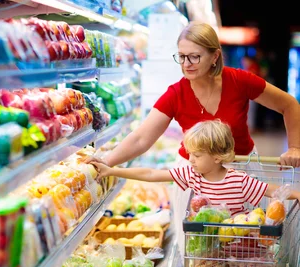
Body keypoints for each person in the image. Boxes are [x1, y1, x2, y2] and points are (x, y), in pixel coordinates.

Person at [85, 21, 300, 253]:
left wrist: (295, 147)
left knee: (244, 244)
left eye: (194, 57)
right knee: (199, 250)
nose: (186, 64)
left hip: (241, 173)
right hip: (196, 176)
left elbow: (289, 105)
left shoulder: (239, 81)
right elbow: (141, 139)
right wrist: (106, 162)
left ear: (215, 56)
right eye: (181, 57)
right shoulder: (176, 94)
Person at [91, 120, 300, 215]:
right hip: (205, 250)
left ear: (218, 157)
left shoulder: (239, 180)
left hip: (237, 248)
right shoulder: (192, 175)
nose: (190, 159)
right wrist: (112, 169)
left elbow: (272, 190)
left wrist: (297, 193)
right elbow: (151, 173)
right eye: (190, 153)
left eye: (197, 155)